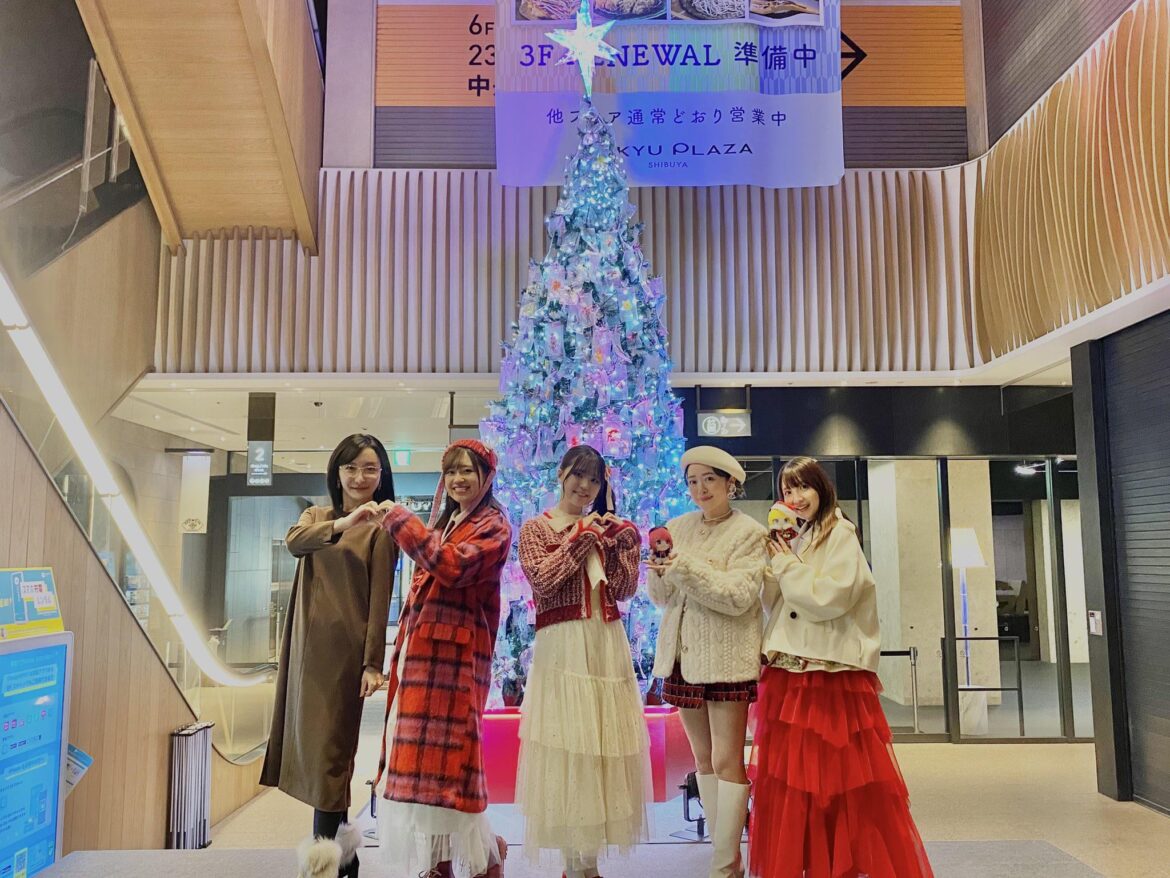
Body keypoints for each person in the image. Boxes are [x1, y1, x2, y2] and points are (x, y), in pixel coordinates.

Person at [750, 457, 934, 878]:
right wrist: (777, 561)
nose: (795, 498)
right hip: (791, 668)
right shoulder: (799, 535)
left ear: (821, 488)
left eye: (803, 488)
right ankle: (810, 860)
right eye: (788, 489)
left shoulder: (840, 532)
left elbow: (828, 599)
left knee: (837, 778)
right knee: (795, 778)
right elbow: (778, 603)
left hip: (828, 672)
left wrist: (784, 565)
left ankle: (837, 864)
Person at [373, 439, 512, 878]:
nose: (458, 480)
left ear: (487, 477)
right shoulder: (448, 520)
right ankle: (437, 865)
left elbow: (451, 566)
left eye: (468, 471)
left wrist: (399, 519)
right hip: (423, 659)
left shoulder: (494, 525)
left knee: (455, 772)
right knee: (425, 775)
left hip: (458, 663)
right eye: (451, 472)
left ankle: (486, 858)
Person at [262, 434, 396, 878]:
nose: (360, 477)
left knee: (330, 767)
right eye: (352, 468)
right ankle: (340, 866)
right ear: (337, 473)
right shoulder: (317, 517)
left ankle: (331, 865)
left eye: (370, 469)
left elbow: (381, 600)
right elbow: (295, 542)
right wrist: (345, 521)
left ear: (381, 476)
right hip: (303, 656)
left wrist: (373, 662)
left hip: (342, 661)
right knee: (320, 766)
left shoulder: (381, 529)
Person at [515, 445, 650, 878]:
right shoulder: (537, 527)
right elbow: (545, 580)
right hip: (562, 645)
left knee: (600, 749)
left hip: (605, 642)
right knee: (569, 746)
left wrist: (626, 543)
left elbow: (625, 589)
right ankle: (575, 865)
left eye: (594, 480)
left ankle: (586, 865)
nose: (585, 487)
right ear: (561, 473)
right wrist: (582, 537)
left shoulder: (605, 527)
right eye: (578, 476)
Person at [647, 446, 768, 878]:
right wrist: (659, 572)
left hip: (727, 657)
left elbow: (737, 598)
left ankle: (726, 860)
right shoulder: (677, 528)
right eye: (692, 481)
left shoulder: (750, 533)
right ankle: (724, 855)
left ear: (730, 483)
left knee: (726, 760)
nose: (700, 489)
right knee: (701, 762)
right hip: (681, 658)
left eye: (709, 480)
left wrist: (683, 567)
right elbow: (661, 599)